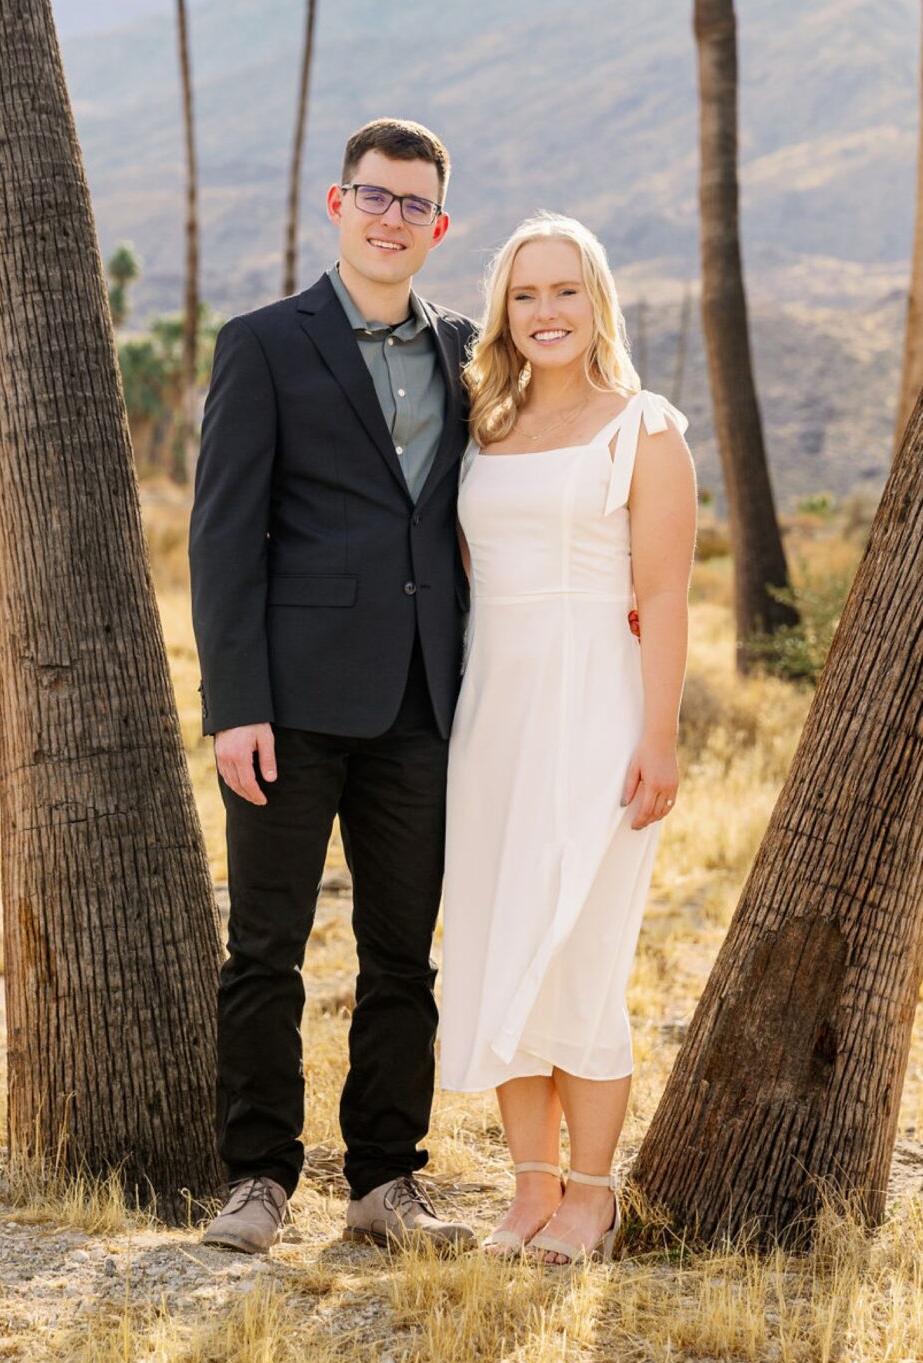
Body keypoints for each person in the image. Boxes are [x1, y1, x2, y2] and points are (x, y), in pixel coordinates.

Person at [189, 116, 477, 1256]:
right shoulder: (263, 343)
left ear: (439, 225)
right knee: (266, 950)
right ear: (337, 203)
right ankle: (258, 1178)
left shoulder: (470, 350)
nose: (392, 217)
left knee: (404, 957)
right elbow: (224, 538)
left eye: (415, 203)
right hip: (290, 707)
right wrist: (234, 705)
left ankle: (384, 1181)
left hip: (425, 707)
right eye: (376, 196)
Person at [438, 214, 696, 1265]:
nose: (545, 312)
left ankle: (592, 1195)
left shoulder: (645, 430)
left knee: (583, 953)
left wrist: (659, 738)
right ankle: (530, 1186)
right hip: (493, 717)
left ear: (597, 303)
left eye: (564, 291)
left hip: (599, 711)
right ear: (503, 312)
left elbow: (664, 596)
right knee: (501, 941)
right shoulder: (483, 429)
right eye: (524, 294)